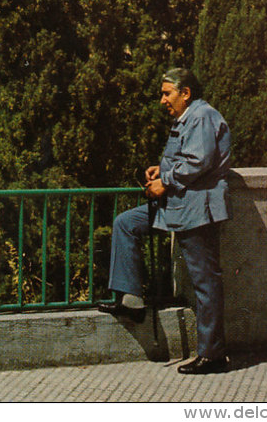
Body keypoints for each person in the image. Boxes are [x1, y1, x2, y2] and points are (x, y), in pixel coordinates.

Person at [98, 67, 232, 375]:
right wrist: (162, 169)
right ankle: (131, 302)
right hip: (179, 203)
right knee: (126, 224)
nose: (162, 100)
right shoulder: (188, 117)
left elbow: (199, 161)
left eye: (166, 93)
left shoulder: (200, 116)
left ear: (185, 93)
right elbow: (190, 156)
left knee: (205, 281)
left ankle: (213, 355)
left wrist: (166, 181)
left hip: (198, 207)